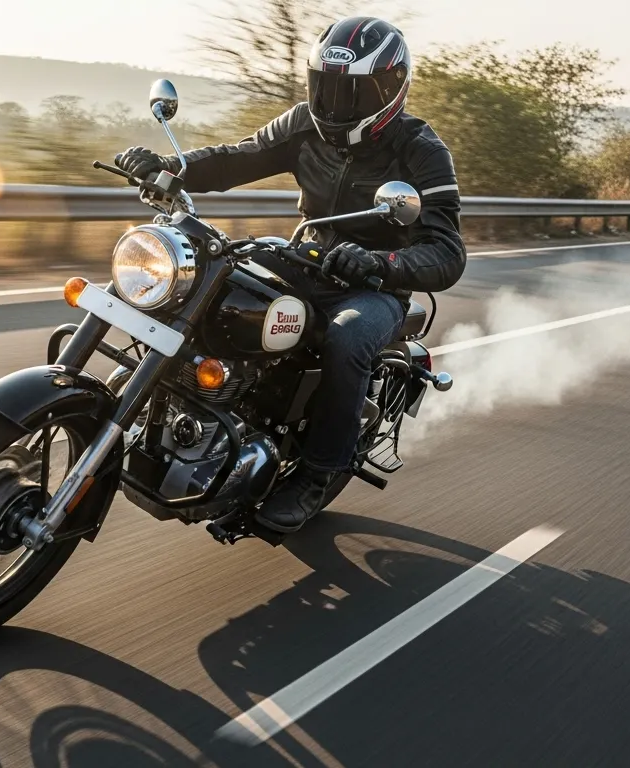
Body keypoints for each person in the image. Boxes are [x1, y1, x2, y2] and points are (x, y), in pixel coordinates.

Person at [115, 16, 466, 533]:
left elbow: (446, 252)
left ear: (388, 88)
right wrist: (169, 167)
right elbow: (237, 159)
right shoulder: (304, 123)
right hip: (306, 259)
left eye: (350, 91)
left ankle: (317, 474)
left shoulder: (421, 149)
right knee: (209, 275)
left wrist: (381, 263)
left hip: (374, 286)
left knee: (348, 337)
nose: (333, 103)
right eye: (325, 86)